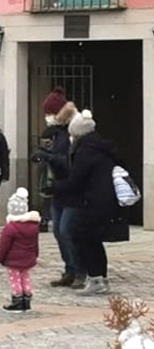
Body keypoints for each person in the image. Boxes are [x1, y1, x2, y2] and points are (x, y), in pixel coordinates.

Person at [52, 110, 118, 295]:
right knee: (94, 240)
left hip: (91, 201)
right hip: (103, 200)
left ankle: (94, 277)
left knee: (83, 238)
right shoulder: (101, 147)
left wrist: (56, 187)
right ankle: (101, 278)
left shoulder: (86, 151)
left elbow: (76, 180)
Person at [32, 90, 82, 288]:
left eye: (49, 113)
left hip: (71, 189)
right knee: (59, 232)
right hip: (58, 189)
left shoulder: (73, 131)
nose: (46, 117)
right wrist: (44, 154)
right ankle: (70, 269)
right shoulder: (57, 133)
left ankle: (80, 270)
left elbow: (71, 162)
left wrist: (49, 157)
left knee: (67, 230)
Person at [0, 187, 40, 312]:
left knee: (15, 280)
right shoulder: (33, 227)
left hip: (13, 261)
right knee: (26, 278)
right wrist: (35, 255)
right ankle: (27, 300)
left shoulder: (10, 228)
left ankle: (17, 301)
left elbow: (3, 246)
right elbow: (35, 244)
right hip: (28, 259)